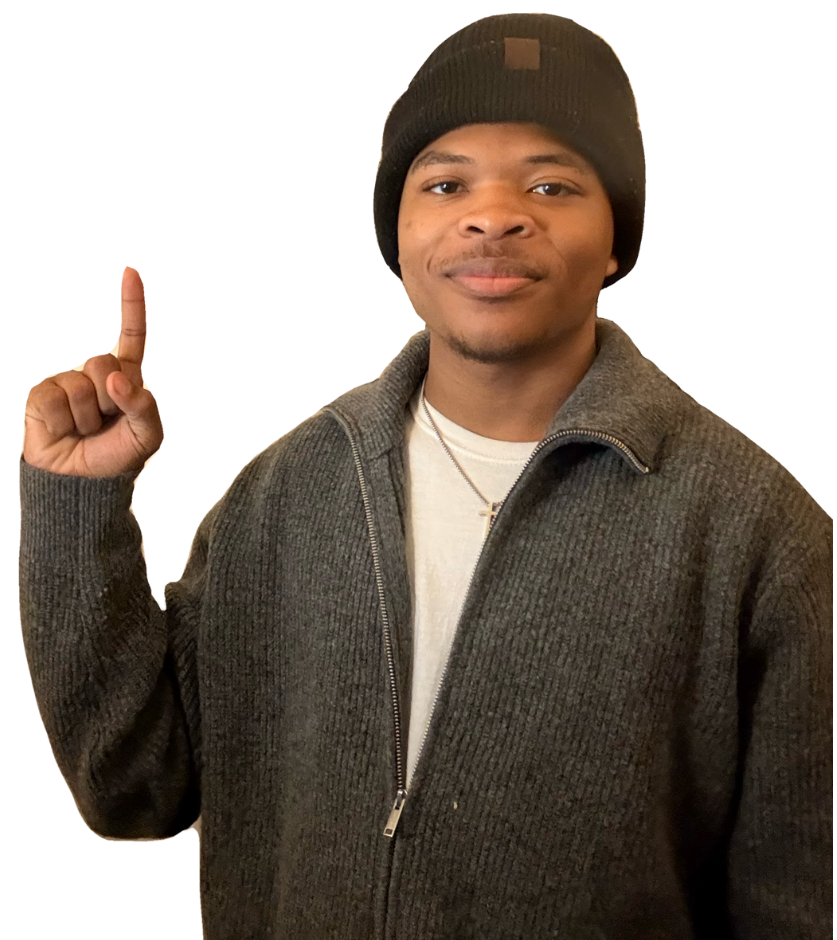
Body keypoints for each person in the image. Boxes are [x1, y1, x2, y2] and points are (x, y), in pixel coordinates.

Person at [18, 13, 835, 940]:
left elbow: (800, 903)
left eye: (552, 184)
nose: (494, 215)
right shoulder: (282, 493)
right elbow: (131, 785)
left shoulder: (757, 532)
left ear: (617, 239)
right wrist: (76, 498)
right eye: (446, 183)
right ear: (397, 238)